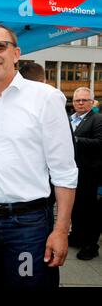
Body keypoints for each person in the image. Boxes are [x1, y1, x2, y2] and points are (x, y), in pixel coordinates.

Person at [0, 24, 78, 287]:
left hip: (27, 226)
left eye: (0, 46)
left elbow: (64, 171)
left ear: (16, 53)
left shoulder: (46, 98)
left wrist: (61, 230)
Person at [68, 87, 102, 260]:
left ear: (91, 102)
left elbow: (100, 142)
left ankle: (91, 245)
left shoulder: (97, 119)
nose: (80, 103)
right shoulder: (70, 119)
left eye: (84, 100)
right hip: (73, 173)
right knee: (75, 207)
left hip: (90, 172)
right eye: (77, 100)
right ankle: (77, 237)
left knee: (90, 211)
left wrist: (76, 139)